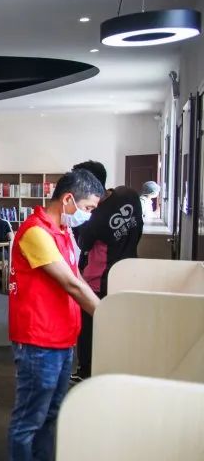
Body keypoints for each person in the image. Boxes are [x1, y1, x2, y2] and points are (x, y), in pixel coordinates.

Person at [7, 169, 104, 461]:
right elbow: (72, 285)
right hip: (39, 341)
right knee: (29, 420)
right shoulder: (35, 232)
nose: (89, 215)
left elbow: (76, 279)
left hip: (62, 338)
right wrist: (112, 317)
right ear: (68, 200)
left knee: (50, 416)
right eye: (88, 208)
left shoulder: (62, 231)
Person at [71, 160, 143, 380]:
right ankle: (115, 369)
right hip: (128, 272)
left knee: (89, 329)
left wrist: (78, 220)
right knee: (118, 326)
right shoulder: (129, 194)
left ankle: (86, 371)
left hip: (99, 280)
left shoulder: (96, 219)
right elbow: (138, 227)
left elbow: (83, 244)